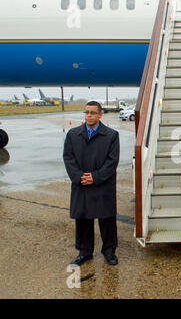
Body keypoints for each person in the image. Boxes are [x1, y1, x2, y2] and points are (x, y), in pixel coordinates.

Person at [63, 101, 120, 266]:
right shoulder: (73, 135)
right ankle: (84, 252)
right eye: (87, 112)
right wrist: (79, 176)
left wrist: (95, 177)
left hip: (102, 185)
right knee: (83, 219)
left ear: (100, 115)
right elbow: (68, 157)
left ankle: (109, 251)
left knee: (107, 220)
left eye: (93, 113)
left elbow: (112, 161)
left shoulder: (111, 135)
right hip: (81, 184)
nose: (89, 115)